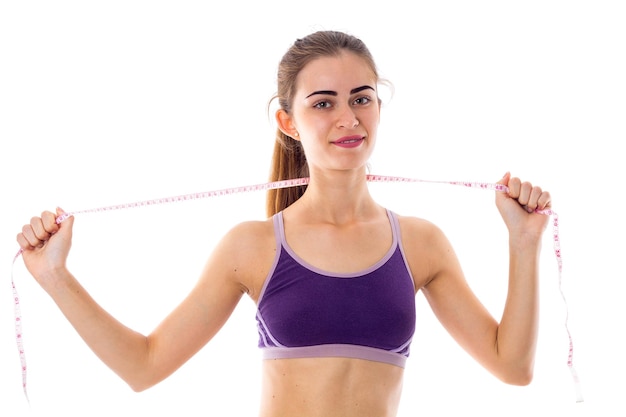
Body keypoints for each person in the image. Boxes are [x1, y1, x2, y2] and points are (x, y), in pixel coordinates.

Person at [16, 30, 551, 417]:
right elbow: (144, 366)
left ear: (379, 108)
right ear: (287, 122)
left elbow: (513, 367)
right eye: (323, 103)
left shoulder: (421, 243)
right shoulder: (252, 247)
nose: (348, 118)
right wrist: (55, 277)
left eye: (362, 98)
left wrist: (523, 243)